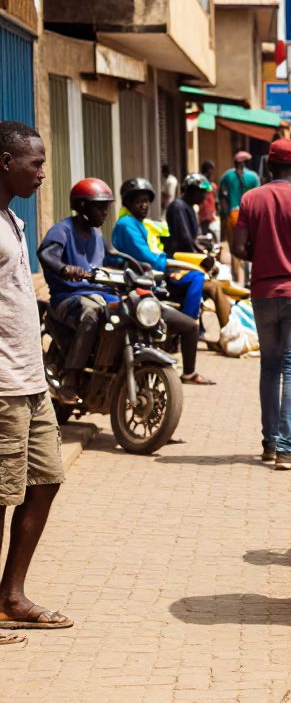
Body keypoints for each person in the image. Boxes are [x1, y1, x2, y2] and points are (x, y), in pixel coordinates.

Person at [0, 121, 72, 646]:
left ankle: (11, 597)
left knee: (45, 479)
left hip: (29, 380)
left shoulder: (13, 220)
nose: (43, 174)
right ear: (6, 162)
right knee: (0, 497)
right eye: (36, 164)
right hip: (2, 386)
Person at [232, 138, 291, 470]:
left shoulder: (251, 199)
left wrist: (264, 254)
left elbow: (239, 247)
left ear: (268, 166)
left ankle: (270, 444)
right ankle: (286, 449)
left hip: (263, 294)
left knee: (269, 367)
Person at [111, 178, 214, 386]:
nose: (144, 205)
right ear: (128, 203)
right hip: (136, 288)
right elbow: (148, 257)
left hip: (153, 281)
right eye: (139, 201)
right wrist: (176, 265)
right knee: (195, 278)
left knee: (191, 314)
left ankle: (187, 366)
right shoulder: (126, 224)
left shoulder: (142, 224)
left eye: (147, 201)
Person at [36, 178, 116, 405]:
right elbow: (46, 254)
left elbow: (116, 257)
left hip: (99, 293)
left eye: (106, 206)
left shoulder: (98, 235)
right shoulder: (62, 230)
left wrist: (140, 268)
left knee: (133, 308)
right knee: (92, 314)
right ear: (82, 207)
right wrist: (64, 268)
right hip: (68, 297)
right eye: (99, 206)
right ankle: (70, 378)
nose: (105, 212)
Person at [160, 173, 232, 333]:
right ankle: (223, 331)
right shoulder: (178, 206)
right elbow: (186, 240)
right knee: (214, 287)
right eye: (202, 191)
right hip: (178, 266)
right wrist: (203, 257)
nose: (205, 196)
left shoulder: (190, 209)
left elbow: (195, 239)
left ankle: (223, 329)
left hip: (189, 262)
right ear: (192, 190)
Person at [219, 151, 260, 283]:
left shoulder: (226, 176)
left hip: (233, 215)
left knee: (234, 248)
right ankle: (248, 279)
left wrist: (225, 214)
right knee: (251, 244)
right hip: (249, 215)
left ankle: (237, 279)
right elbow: (257, 199)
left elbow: (222, 198)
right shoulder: (253, 177)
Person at [198, 159, 218, 239]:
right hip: (204, 215)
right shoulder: (203, 183)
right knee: (205, 233)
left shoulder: (211, 185)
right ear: (210, 170)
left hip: (209, 214)